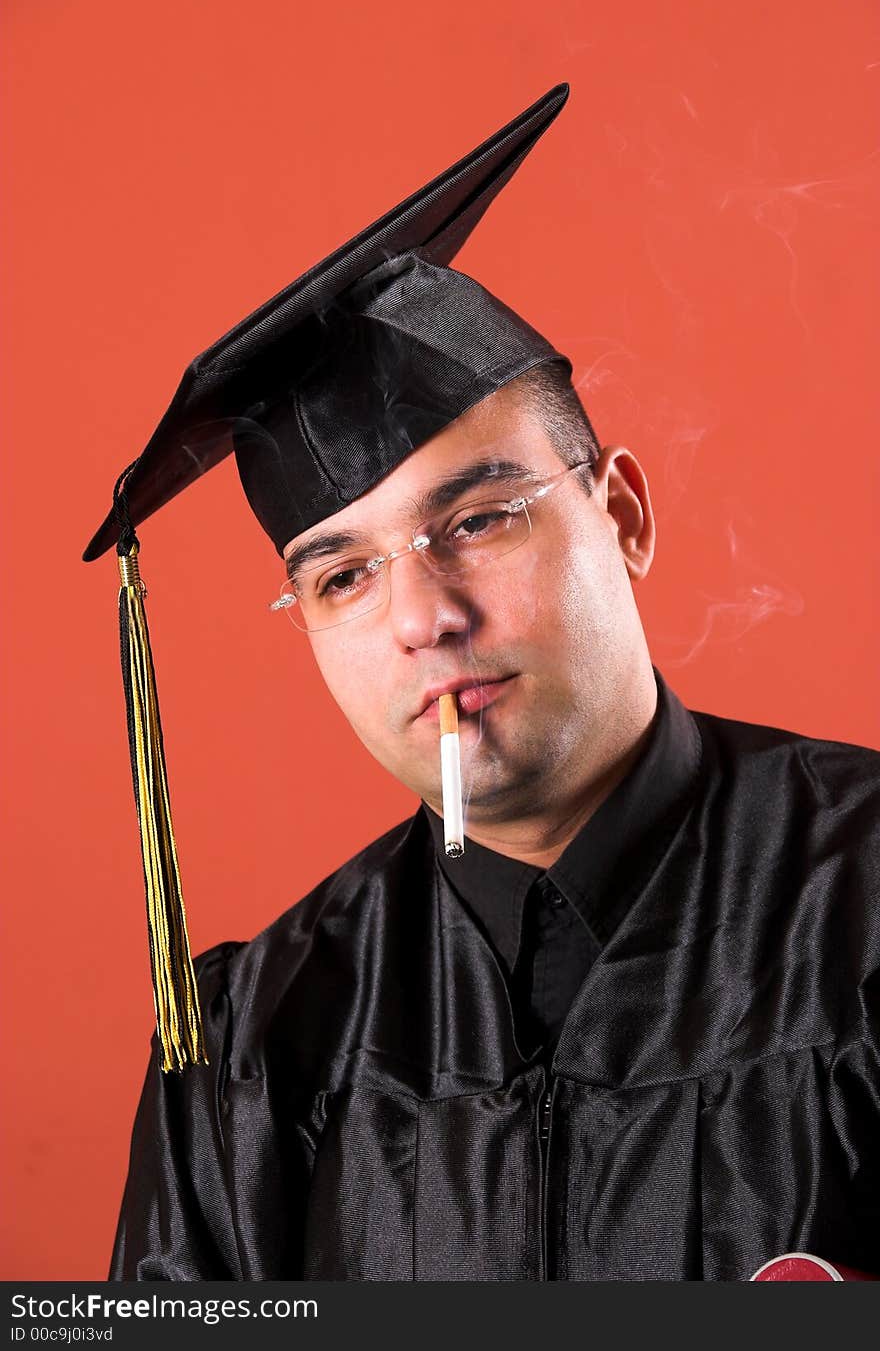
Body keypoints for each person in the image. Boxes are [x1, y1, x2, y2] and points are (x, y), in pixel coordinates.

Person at [87, 85, 880, 1281]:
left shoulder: (861, 907)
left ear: (620, 513)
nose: (423, 617)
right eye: (343, 575)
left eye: (481, 519)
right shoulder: (258, 1041)